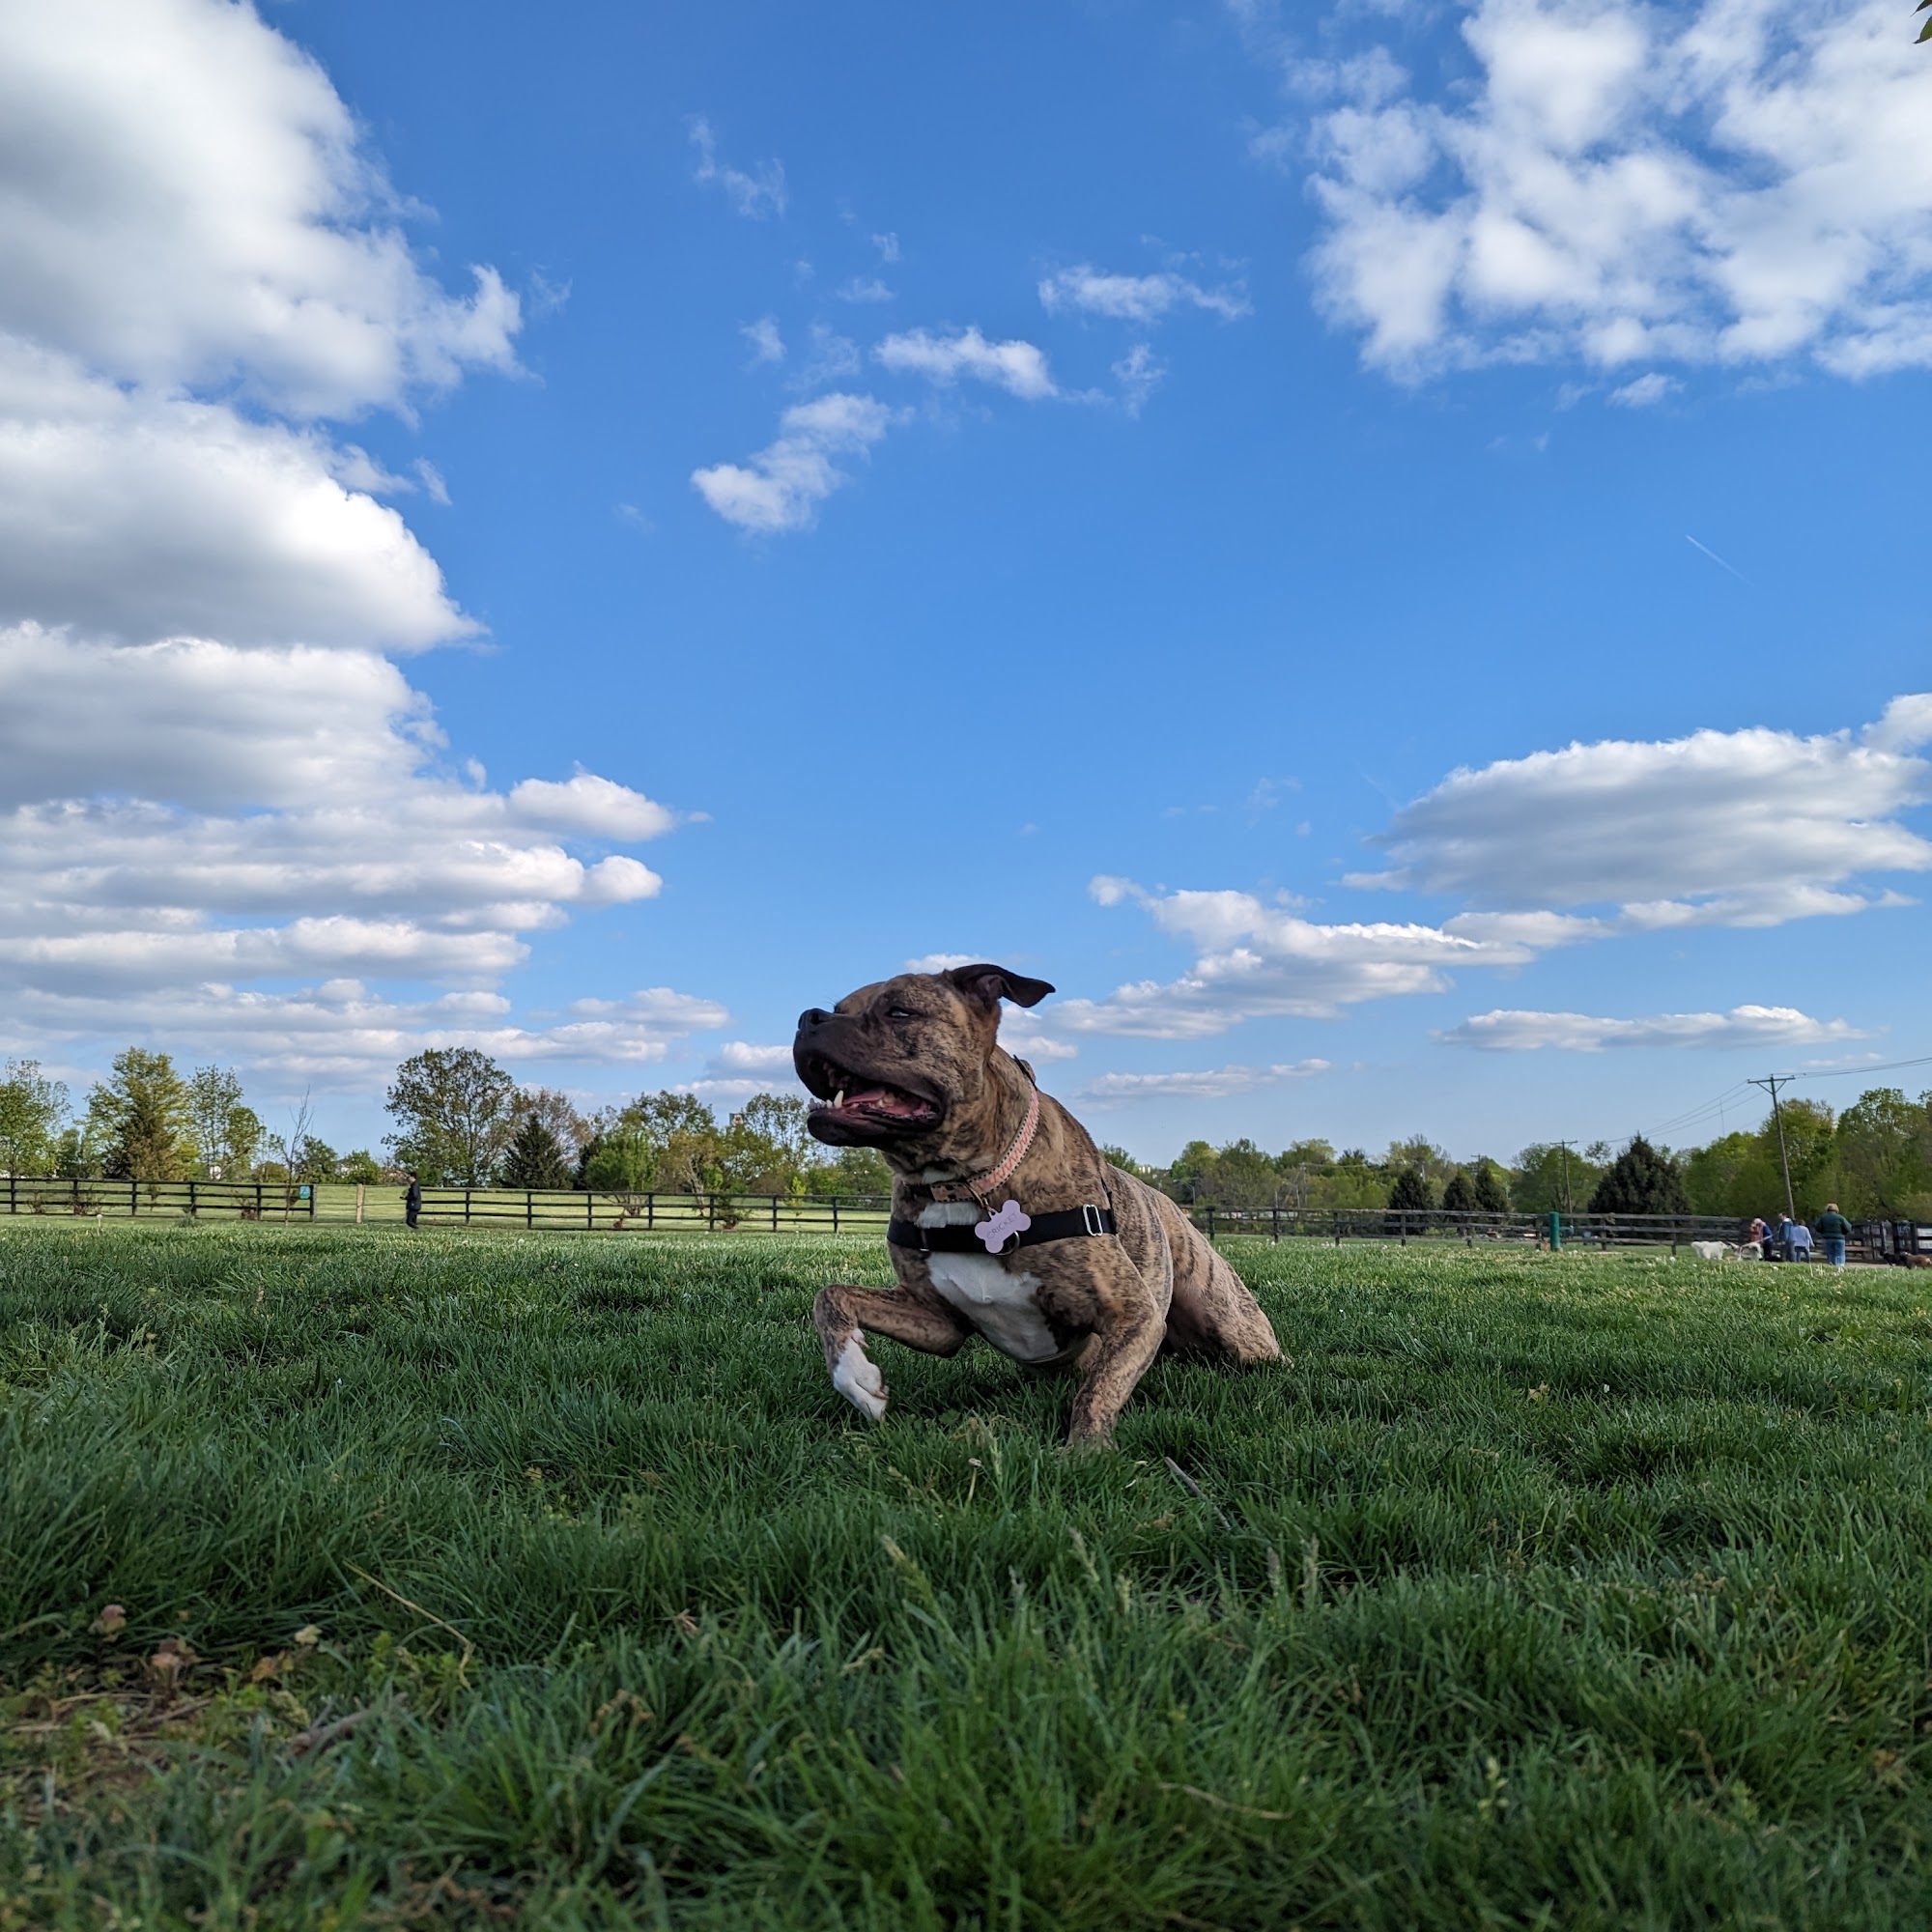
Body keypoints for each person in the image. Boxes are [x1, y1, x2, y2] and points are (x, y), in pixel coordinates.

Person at [1815, 1202, 1852, 1270]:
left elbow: (1817, 1227)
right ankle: (1840, 1267)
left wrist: (1823, 1232)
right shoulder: (1840, 1218)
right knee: (1840, 1253)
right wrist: (1843, 1233)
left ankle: (1832, 1266)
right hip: (1839, 1238)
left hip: (1827, 1238)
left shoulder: (1823, 1217)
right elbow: (1848, 1227)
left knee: (1831, 1253)